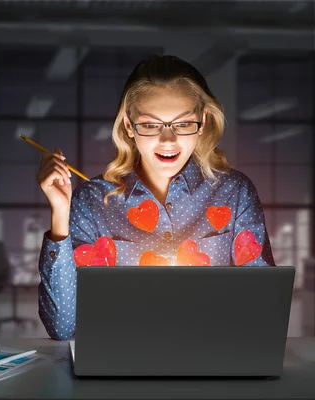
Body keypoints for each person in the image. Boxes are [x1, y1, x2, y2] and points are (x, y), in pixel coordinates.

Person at [35, 55, 275, 341]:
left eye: (183, 124)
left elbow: (263, 311)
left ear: (203, 121)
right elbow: (63, 328)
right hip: (120, 360)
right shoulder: (92, 200)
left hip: (213, 357)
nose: (168, 140)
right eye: (150, 125)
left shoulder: (235, 192)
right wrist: (60, 213)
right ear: (128, 126)